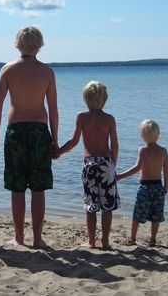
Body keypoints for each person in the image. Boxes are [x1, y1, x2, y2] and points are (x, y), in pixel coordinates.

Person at [0, 26, 58, 248]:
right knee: (38, 189)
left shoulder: (8, 69)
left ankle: (19, 238)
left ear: (18, 44)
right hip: (39, 131)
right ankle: (37, 238)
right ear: (39, 45)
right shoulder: (47, 71)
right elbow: (53, 108)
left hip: (16, 131)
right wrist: (55, 139)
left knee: (17, 188)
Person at [56, 81, 120, 249]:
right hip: (106, 164)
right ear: (104, 99)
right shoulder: (109, 119)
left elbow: (73, 141)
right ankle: (105, 241)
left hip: (90, 165)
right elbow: (114, 145)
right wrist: (113, 165)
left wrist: (58, 152)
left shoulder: (82, 117)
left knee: (90, 206)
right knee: (107, 206)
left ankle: (91, 241)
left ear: (85, 99)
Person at [117, 119, 168, 247]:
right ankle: (152, 239)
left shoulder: (143, 150)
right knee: (156, 214)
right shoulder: (163, 151)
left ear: (142, 135)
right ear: (158, 134)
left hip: (145, 187)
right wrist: (166, 187)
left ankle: (132, 239)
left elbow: (137, 168)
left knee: (138, 213)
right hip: (158, 187)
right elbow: (167, 172)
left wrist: (120, 176)